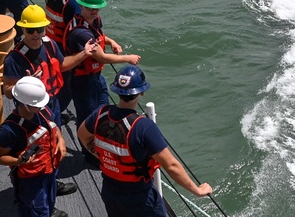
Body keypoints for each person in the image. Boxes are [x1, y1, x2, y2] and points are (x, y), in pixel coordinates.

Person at [78, 66, 213, 217]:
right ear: (141, 92)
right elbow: (172, 166)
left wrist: (106, 159)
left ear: (117, 91)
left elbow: (82, 134)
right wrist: (198, 190)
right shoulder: (144, 127)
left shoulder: (100, 113)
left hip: (111, 191)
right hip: (139, 197)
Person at [3, 4, 97, 129]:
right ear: (23, 29)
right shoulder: (14, 59)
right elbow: (8, 92)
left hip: (53, 103)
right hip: (32, 110)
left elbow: (62, 65)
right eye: (31, 30)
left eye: (40, 29)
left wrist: (84, 53)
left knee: (55, 135)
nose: (36, 34)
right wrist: (26, 83)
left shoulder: (50, 44)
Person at [63, 0, 140, 127]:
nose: (94, 11)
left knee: (103, 110)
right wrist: (127, 58)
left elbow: (99, 36)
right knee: (88, 117)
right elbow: (101, 57)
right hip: (82, 82)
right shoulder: (80, 32)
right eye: (90, 8)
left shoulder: (94, 20)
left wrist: (112, 42)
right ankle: (87, 148)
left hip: (96, 76)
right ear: (81, 6)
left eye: (97, 8)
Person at [0, 76, 70, 217]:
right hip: (30, 181)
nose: (41, 106)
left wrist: (61, 141)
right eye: (37, 104)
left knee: (48, 202)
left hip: (49, 171)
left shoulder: (43, 111)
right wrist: (19, 161)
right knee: (35, 210)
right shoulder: (10, 130)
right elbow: (0, 157)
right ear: (24, 104)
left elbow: (53, 126)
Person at [44, 0, 83, 113]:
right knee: (66, 87)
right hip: (62, 50)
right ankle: (54, 113)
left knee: (53, 79)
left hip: (48, 43)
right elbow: (77, 28)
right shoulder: (72, 3)